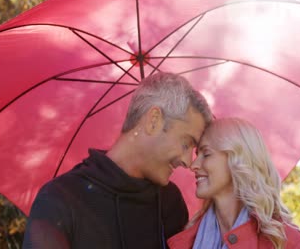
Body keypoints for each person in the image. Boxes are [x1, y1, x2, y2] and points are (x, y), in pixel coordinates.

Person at [22, 72, 213, 249]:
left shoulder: (170, 202)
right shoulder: (60, 199)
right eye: (187, 144)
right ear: (153, 120)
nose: (189, 162)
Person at [167, 118, 300, 249]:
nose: (194, 165)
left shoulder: (286, 242)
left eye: (206, 154)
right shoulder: (185, 239)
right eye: (197, 154)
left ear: (237, 159)